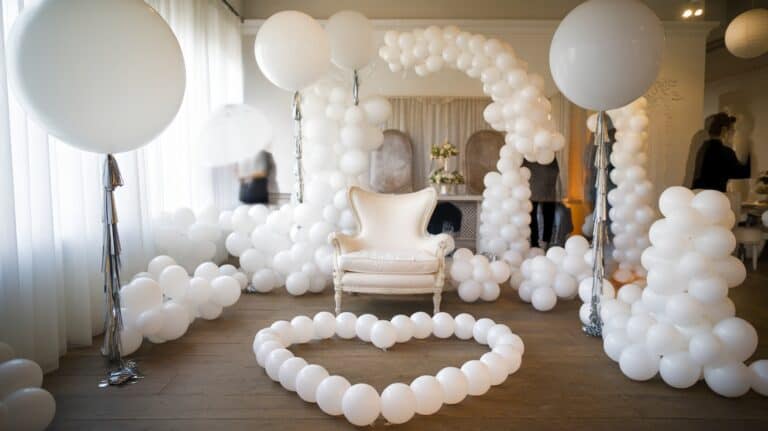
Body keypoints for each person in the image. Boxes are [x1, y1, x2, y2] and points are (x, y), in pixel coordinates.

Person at [692, 112, 750, 192]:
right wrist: (747, 148)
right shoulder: (725, 152)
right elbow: (742, 173)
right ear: (724, 130)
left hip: (698, 195)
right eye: (732, 130)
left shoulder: (702, 148)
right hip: (714, 198)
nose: (733, 133)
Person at [524, 158, 560, 248]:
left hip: (538, 180)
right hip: (542, 180)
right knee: (546, 213)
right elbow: (556, 170)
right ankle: (544, 241)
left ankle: (536, 242)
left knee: (535, 213)